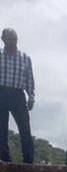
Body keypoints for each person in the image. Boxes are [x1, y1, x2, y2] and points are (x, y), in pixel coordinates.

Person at [0, 28, 35, 164]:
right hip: (1, 93)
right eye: (9, 39)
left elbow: (29, 79)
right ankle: (5, 160)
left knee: (25, 128)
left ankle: (28, 160)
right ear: (3, 40)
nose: (13, 43)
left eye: (15, 40)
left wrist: (31, 96)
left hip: (18, 95)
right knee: (1, 129)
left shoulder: (25, 58)